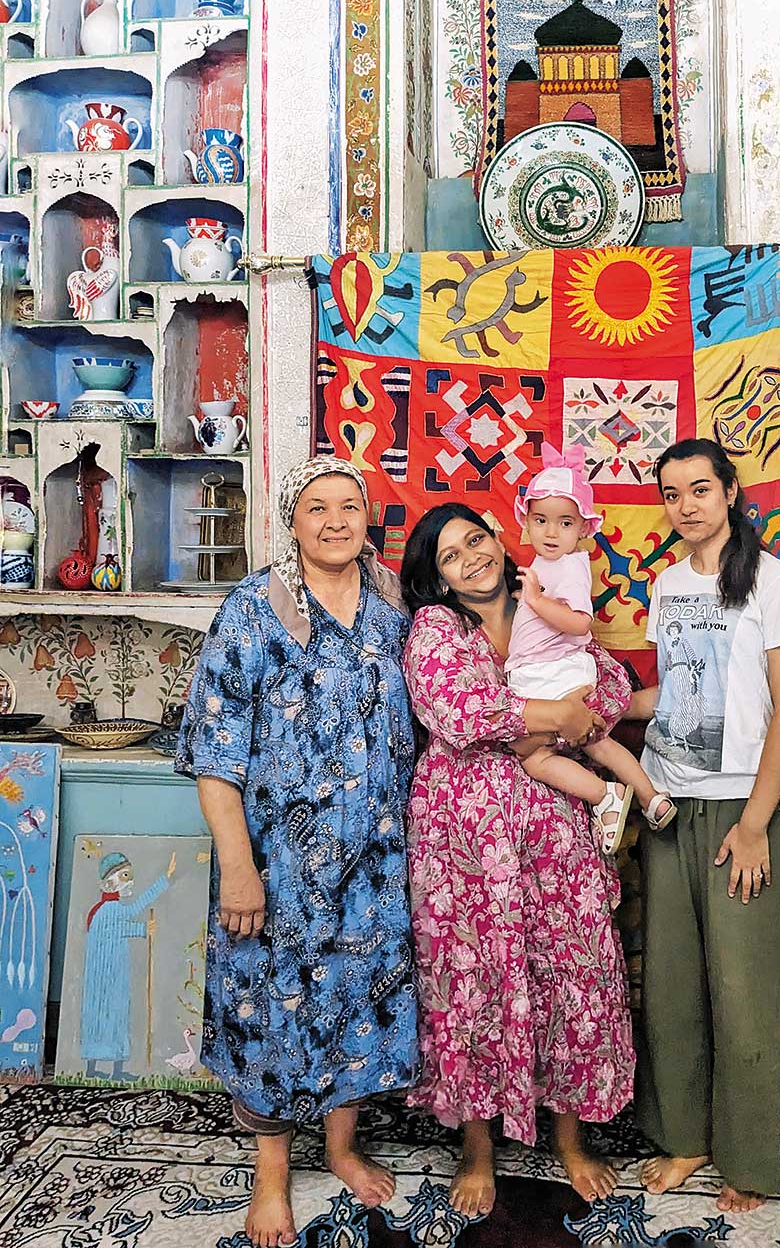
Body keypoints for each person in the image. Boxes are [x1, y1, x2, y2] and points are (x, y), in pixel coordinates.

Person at [176, 458, 419, 1248]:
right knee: (270, 1012)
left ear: (367, 518)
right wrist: (239, 867)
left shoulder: (394, 607)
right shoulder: (253, 609)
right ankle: (272, 1173)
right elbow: (215, 756)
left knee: (359, 1003)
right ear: (293, 520)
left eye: (350, 506)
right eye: (318, 508)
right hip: (279, 868)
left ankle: (342, 1148)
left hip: (377, 866)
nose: (336, 521)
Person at [400, 502, 635, 1217]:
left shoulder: (549, 603)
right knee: (469, 983)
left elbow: (612, 688)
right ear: (437, 577)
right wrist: (553, 714)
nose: (470, 557)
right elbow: (457, 713)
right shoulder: (435, 628)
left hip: (555, 828)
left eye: (476, 539)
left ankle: (569, 1140)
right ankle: (477, 1149)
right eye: (450, 555)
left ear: (501, 541)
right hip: (463, 843)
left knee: (572, 970)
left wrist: (567, 713)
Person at [626, 438, 780, 1215]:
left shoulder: (771, 579)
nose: (686, 505)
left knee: (744, 988)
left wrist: (757, 823)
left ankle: (746, 1157)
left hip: (744, 808)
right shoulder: (667, 584)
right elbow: (672, 695)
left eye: (700, 489)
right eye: (672, 494)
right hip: (669, 804)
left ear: (731, 492)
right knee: (671, 986)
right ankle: (685, 1138)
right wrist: (586, 703)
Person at [505, 444, 676, 853]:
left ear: (583, 528)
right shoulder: (549, 564)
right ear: (526, 521)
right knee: (595, 741)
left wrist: (535, 601)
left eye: (564, 523)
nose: (551, 532)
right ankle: (650, 797)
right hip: (547, 669)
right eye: (541, 520)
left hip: (553, 671)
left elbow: (580, 622)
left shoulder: (570, 565)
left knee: (534, 757)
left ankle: (605, 795)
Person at [80, 850, 175, 1081]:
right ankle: (113, 1070)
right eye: (124, 876)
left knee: (106, 1017)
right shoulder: (108, 910)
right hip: (109, 974)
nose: (129, 881)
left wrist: (164, 879)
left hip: (110, 971)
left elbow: (128, 916)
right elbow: (120, 925)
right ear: (109, 882)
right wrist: (143, 929)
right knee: (113, 1016)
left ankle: (97, 1068)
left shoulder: (106, 909)